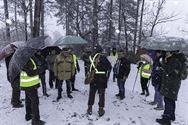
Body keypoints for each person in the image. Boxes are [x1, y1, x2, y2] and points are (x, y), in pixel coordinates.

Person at [156, 51, 185, 125]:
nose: (166, 53)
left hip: (171, 84)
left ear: (172, 52)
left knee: (168, 100)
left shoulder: (174, 60)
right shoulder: (178, 59)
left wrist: (164, 62)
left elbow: (168, 70)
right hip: (174, 84)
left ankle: (166, 119)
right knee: (171, 100)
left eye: (168, 52)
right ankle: (172, 116)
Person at [87, 45, 112, 117]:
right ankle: (101, 109)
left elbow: (88, 67)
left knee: (91, 93)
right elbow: (109, 67)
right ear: (101, 51)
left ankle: (89, 108)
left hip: (93, 78)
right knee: (101, 95)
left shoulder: (91, 57)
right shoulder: (103, 57)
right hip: (101, 79)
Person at [20, 57, 45, 125]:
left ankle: (28, 115)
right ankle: (35, 121)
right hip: (30, 85)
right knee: (35, 102)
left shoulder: (26, 59)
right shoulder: (26, 60)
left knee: (28, 100)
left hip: (28, 84)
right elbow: (30, 73)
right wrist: (40, 70)